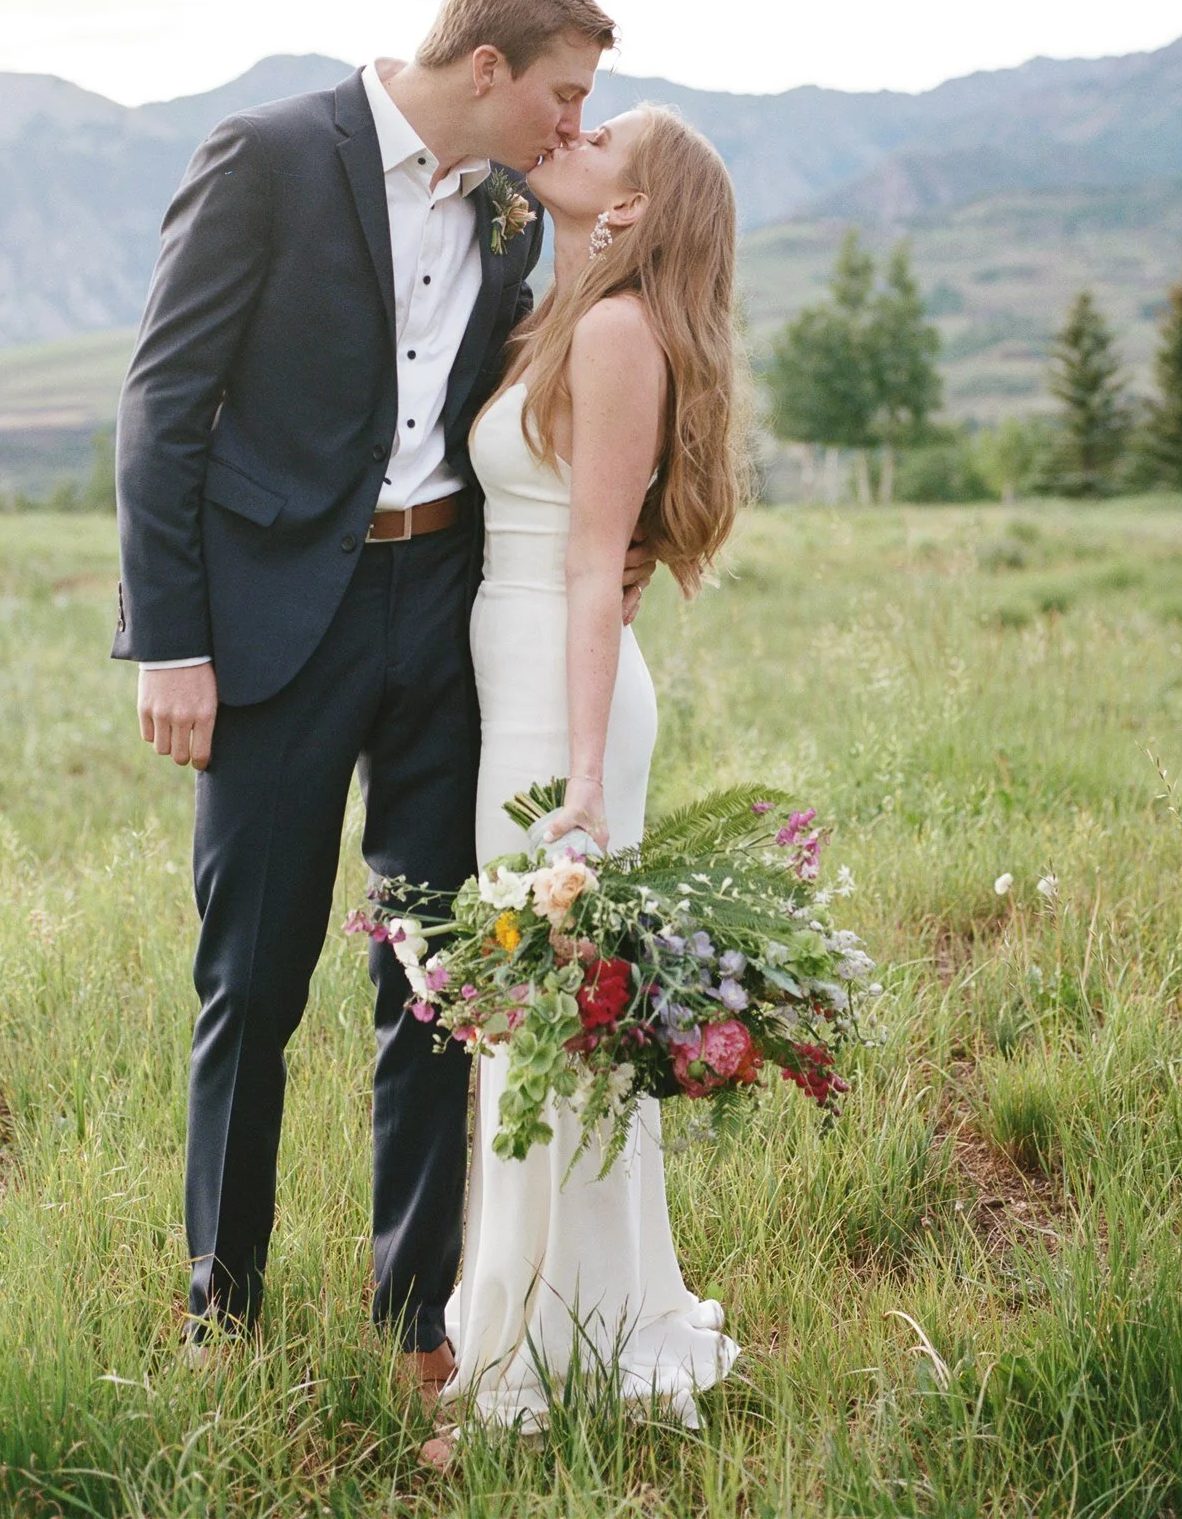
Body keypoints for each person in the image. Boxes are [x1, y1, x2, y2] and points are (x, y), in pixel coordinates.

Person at [113, 0, 653, 1385]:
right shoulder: (273, 156)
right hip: (278, 624)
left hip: (445, 611)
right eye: (562, 92)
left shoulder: (514, 212)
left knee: (432, 976)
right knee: (253, 978)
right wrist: (172, 639)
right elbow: (164, 400)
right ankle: (217, 1313)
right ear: (488, 69)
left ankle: (414, 1314)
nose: (567, 121)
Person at [439, 103, 749, 1438]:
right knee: (546, 1021)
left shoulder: (619, 336)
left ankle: (538, 1357)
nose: (571, 131)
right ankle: (548, 1316)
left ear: (629, 207)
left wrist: (574, 785)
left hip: (561, 709)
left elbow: (587, 561)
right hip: (516, 678)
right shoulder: (557, 313)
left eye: (602, 135)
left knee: (548, 1020)